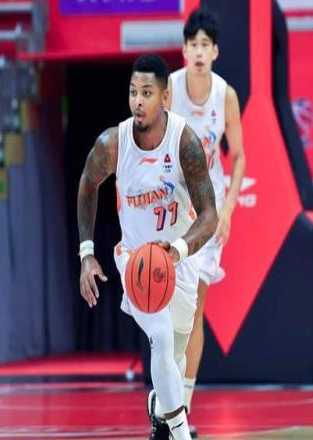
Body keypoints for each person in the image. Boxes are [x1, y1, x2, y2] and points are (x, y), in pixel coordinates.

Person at [77, 54, 217, 440]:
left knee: (173, 352)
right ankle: (181, 434)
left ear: (165, 97)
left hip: (178, 260)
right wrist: (87, 253)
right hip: (137, 260)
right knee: (161, 334)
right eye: (133, 92)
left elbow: (209, 215)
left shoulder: (184, 142)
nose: (138, 101)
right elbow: (88, 184)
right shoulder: (113, 143)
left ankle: (159, 408)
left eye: (147, 93)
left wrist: (178, 250)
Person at [165, 7, 246, 433]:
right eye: (192, 44)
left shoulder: (225, 95)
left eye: (205, 45)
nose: (198, 52)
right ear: (184, 50)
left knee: (195, 308)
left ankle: (183, 409)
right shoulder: (170, 89)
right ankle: (165, 399)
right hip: (172, 205)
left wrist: (228, 208)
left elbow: (240, 157)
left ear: (215, 51)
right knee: (167, 310)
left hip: (209, 208)